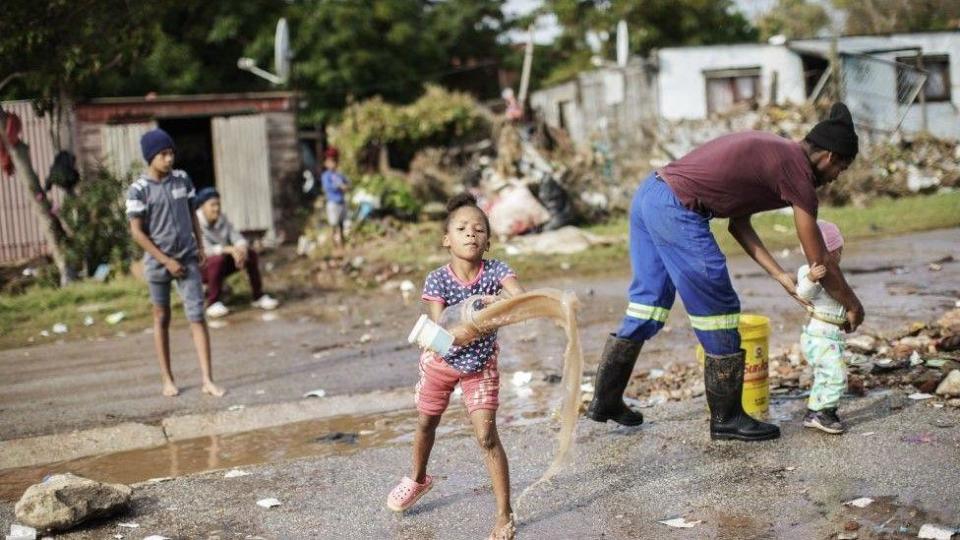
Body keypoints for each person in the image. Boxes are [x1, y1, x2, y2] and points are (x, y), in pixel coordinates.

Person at [585, 102, 864, 442]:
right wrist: (852, 303)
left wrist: (778, 274)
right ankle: (728, 417)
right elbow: (818, 256)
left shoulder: (779, 155)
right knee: (718, 308)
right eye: (842, 169)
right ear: (830, 158)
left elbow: (738, 223)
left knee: (649, 303)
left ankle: (606, 400)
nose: (836, 178)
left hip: (651, 194)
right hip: (677, 208)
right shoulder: (799, 173)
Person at [386, 193, 523, 540]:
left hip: (479, 365)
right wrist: (468, 320)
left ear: (488, 240)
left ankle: (505, 513)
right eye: (461, 228)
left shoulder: (496, 271)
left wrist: (500, 303)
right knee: (426, 422)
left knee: (486, 436)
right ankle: (418, 479)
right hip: (441, 363)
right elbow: (442, 330)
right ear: (447, 239)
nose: (471, 234)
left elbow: (519, 299)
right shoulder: (437, 280)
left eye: (479, 229)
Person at [126, 128, 225, 398]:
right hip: (159, 264)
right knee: (161, 317)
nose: (169, 159)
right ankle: (167, 379)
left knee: (197, 316)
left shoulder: (182, 179)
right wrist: (166, 261)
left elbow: (193, 213)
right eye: (163, 154)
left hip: (188, 259)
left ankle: (208, 379)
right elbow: (137, 232)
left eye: (171, 153)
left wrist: (200, 245)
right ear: (150, 157)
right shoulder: (138, 190)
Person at [194, 187, 279, 318]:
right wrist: (229, 249)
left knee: (250, 254)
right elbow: (205, 250)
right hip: (200, 268)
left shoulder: (222, 219)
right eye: (212, 205)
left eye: (218, 204)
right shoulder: (195, 223)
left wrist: (241, 250)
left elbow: (237, 237)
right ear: (202, 207)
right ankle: (213, 303)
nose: (216, 208)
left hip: (220, 263)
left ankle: (258, 296)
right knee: (217, 259)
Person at [796, 220, 848, 434]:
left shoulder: (835, 273)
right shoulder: (807, 271)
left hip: (832, 334)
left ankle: (813, 412)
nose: (839, 256)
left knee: (824, 375)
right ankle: (826, 412)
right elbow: (802, 293)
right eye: (837, 251)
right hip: (820, 334)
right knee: (836, 374)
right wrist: (811, 278)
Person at [320, 147, 349, 249]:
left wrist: (346, 186)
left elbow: (347, 182)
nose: (333, 164)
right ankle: (334, 244)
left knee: (341, 223)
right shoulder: (326, 176)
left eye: (334, 161)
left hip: (341, 202)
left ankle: (342, 242)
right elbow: (327, 187)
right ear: (326, 163)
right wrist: (338, 187)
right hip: (333, 202)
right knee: (333, 224)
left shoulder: (339, 174)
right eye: (330, 161)